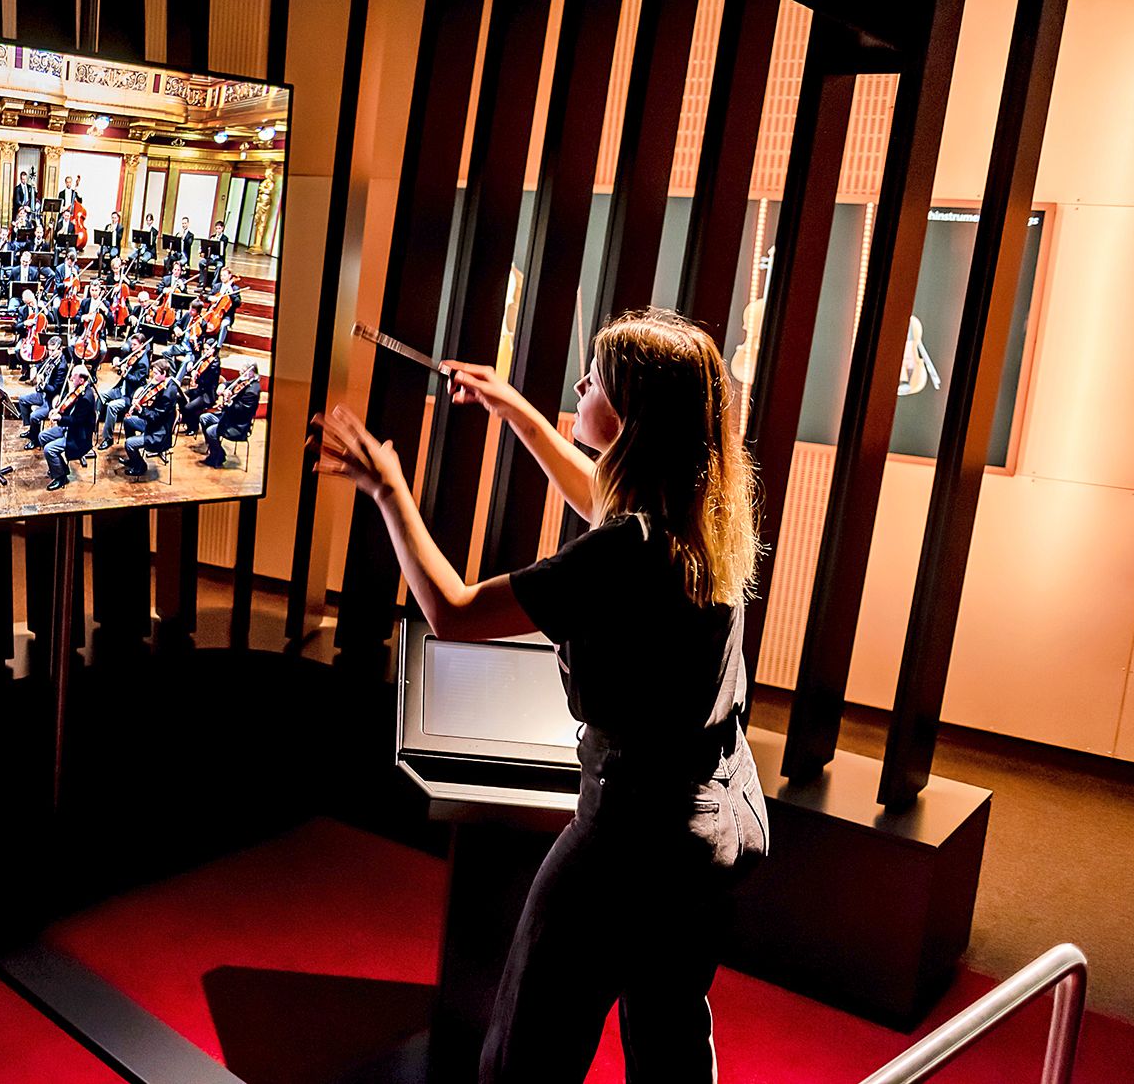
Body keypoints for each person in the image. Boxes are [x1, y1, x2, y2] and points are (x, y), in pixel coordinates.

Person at [310, 308, 768, 1084]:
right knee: (669, 1037)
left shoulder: (624, 551)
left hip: (630, 836)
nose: (580, 384)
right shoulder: (700, 512)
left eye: (596, 377)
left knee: (527, 1052)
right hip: (711, 821)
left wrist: (389, 490)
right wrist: (512, 407)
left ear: (631, 416)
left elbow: (453, 611)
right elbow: (597, 492)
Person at [39, 365, 98, 491]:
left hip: (79, 437)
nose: (70, 378)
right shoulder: (78, 390)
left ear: (81, 380)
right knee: (42, 436)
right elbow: (69, 407)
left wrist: (60, 418)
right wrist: (57, 410)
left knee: (49, 449)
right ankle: (59, 468)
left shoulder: (86, 398)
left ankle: (61, 477)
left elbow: (77, 421)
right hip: (69, 428)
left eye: (73, 376)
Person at [120, 360, 177, 477]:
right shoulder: (162, 383)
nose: (153, 376)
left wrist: (141, 409)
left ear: (164, 373)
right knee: (128, 420)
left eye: (156, 373)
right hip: (153, 424)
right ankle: (134, 458)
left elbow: (155, 417)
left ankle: (140, 466)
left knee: (129, 443)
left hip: (159, 433)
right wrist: (141, 391)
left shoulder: (168, 393)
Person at [198, 361, 259, 468]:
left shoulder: (252, 391)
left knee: (210, 431)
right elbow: (231, 383)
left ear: (252, 373)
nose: (240, 373)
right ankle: (216, 450)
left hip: (237, 425)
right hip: (227, 416)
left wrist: (229, 401)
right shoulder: (244, 380)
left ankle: (217, 456)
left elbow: (240, 412)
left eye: (244, 371)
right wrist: (222, 385)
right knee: (204, 418)